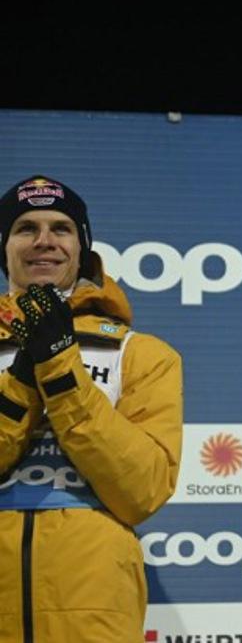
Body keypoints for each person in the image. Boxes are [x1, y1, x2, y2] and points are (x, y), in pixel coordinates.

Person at [0, 175, 183, 643]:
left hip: (92, 602)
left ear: (83, 247)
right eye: (25, 228)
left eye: (61, 228)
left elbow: (141, 491)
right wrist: (22, 377)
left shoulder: (142, 354)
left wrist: (60, 370)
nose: (44, 241)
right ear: (4, 248)